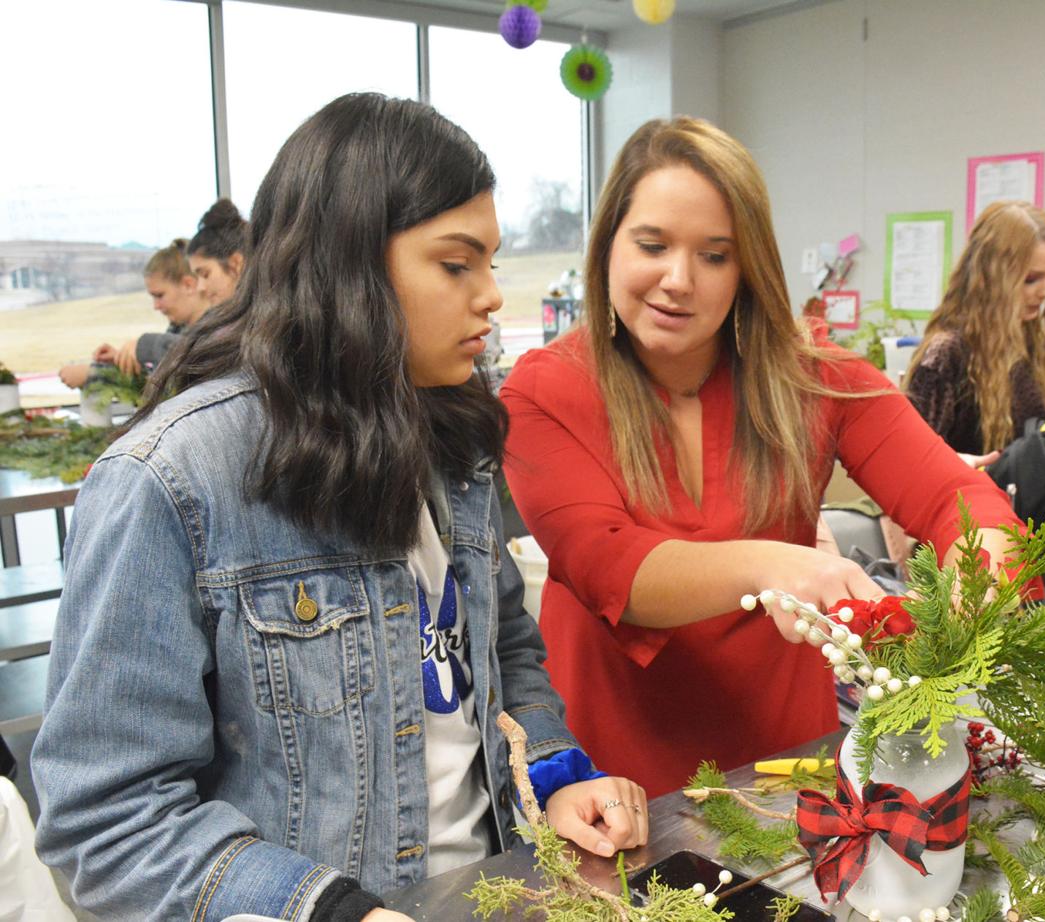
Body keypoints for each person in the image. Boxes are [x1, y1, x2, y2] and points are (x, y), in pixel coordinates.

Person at [32, 93, 647, 922]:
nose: (493, 295)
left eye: (492, 263)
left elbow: (504, 652)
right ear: (347, 265)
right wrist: (330, 910)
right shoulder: (173, 480)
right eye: (457, 264)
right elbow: (107, 822)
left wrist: (553, 772)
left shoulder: (454, 444)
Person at [500, 117, 1026, 799]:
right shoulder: (544, 390)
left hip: (788, 768)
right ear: (608, 246)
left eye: (715, 255)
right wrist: (778, 564)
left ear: (747, 266)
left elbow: (962, 500)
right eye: (652, 245)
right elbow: (609, 564)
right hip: (612, 783)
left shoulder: (814, 378)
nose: (678, 280)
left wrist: (975, 587)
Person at [905, 201, 1045, 460]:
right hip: (969, 500)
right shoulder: (947, 353)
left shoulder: (1031, 345)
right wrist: (960, 467)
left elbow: (1032, 446)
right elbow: (908, 460)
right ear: (991, 277)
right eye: (1031, 279)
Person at [57, 238, 209, 387]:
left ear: (188, 285)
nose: (156, 306)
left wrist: (95, 374)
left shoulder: (217, 333)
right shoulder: (178, 329)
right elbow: (158, 377)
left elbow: (194, 358)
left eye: (160, 295)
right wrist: (124, 360)